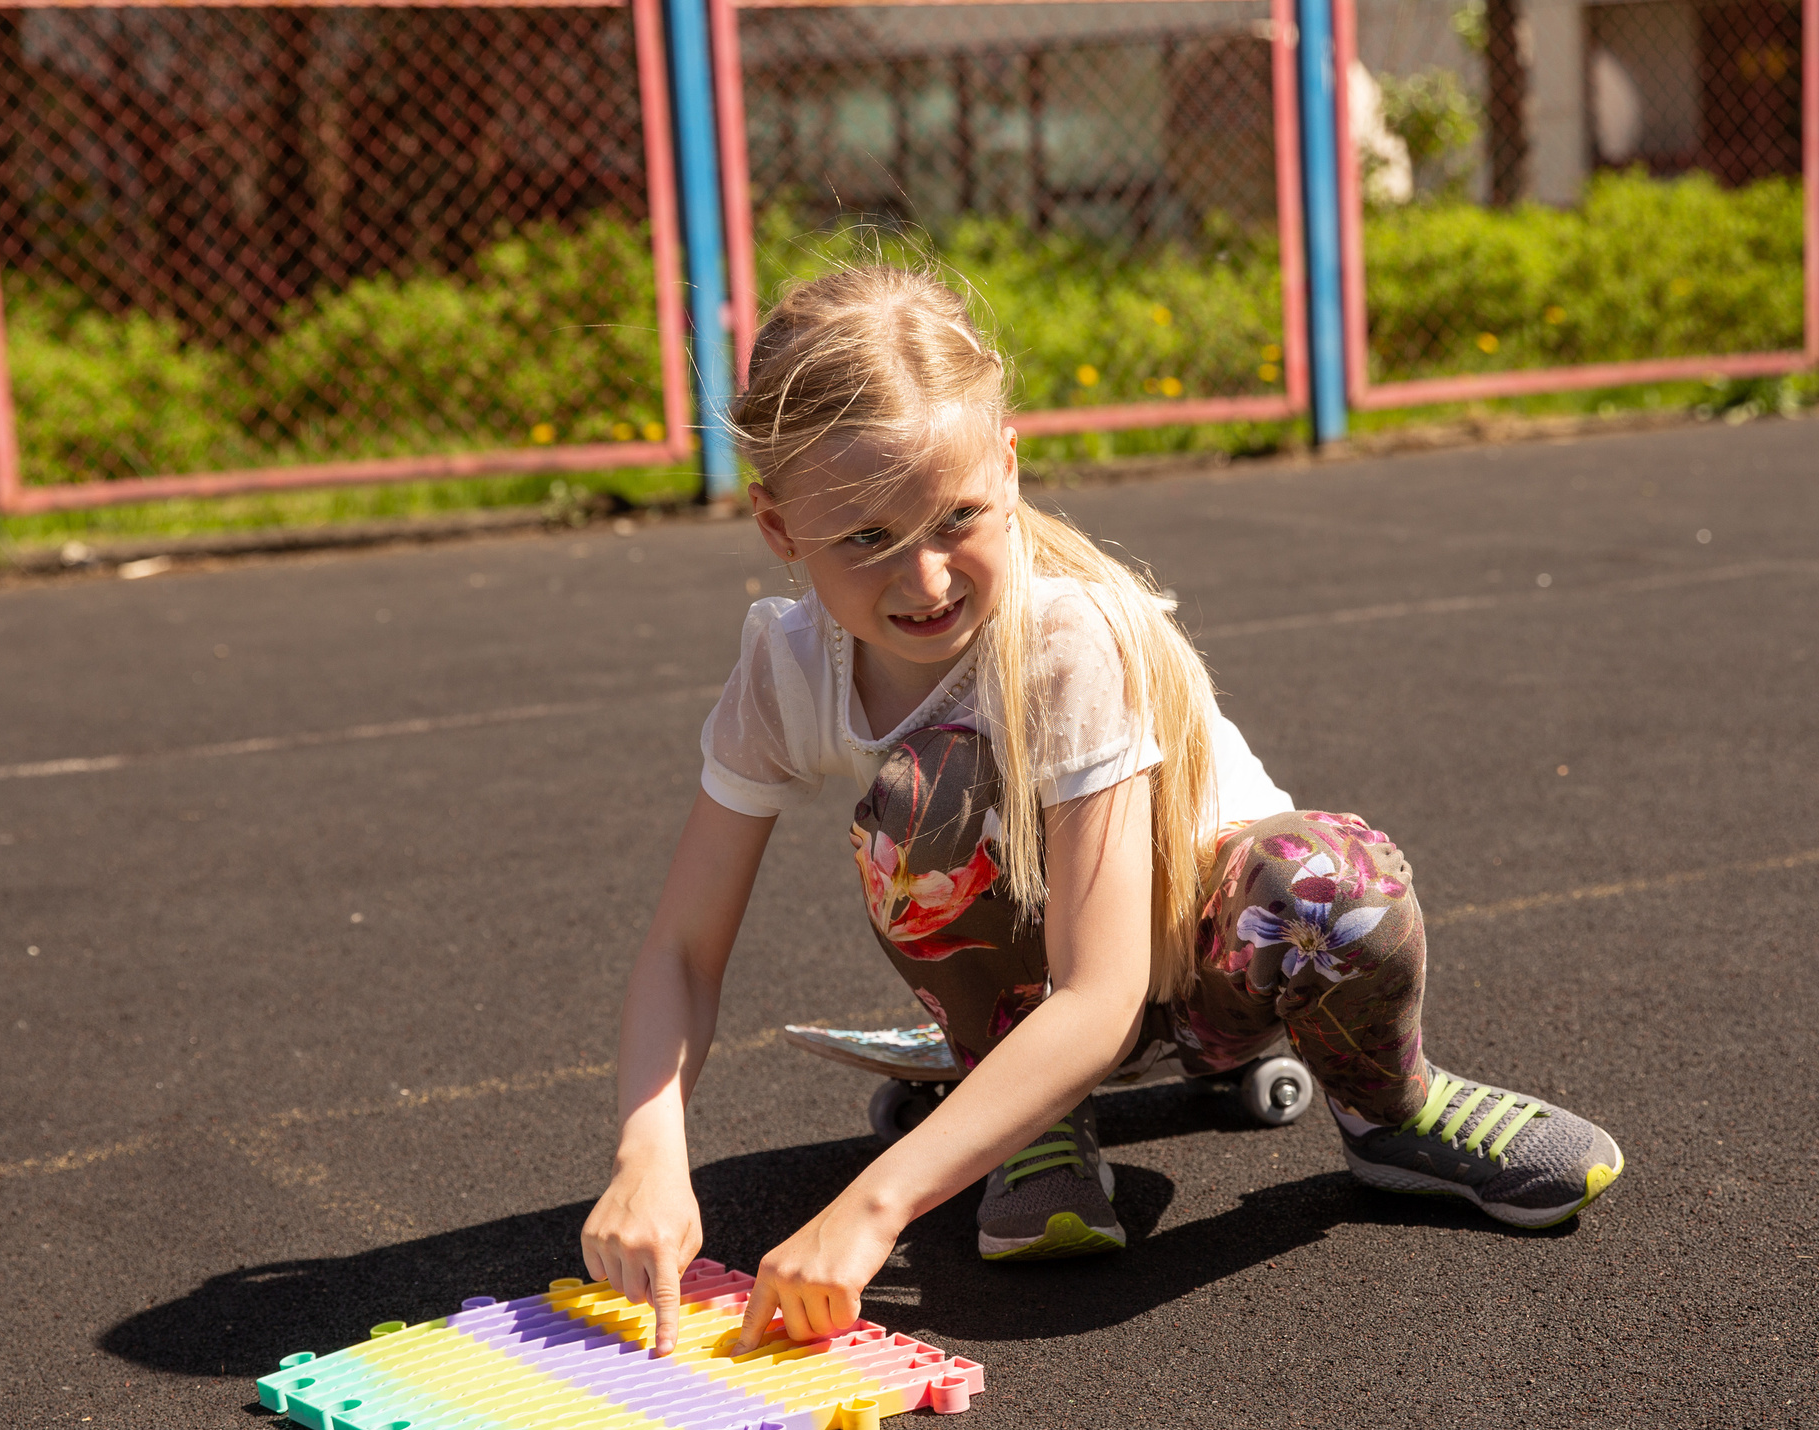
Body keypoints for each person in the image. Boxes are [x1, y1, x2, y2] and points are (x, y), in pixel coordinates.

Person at [582, 265, 1624, 1355]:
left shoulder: (1066, 639)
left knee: (1332, 885)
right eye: (866, 538)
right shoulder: (786, 667)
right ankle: (1016, 1104)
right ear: (778, 527)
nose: (926, 577)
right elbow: (684, 949)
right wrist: (648, 1152)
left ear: (1011, 466)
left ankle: (1391, 1112)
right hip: (1040, 998)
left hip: (1207, 966)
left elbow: (1104, 993)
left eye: (958, 517)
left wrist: (870, 1210)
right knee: (917, 806)